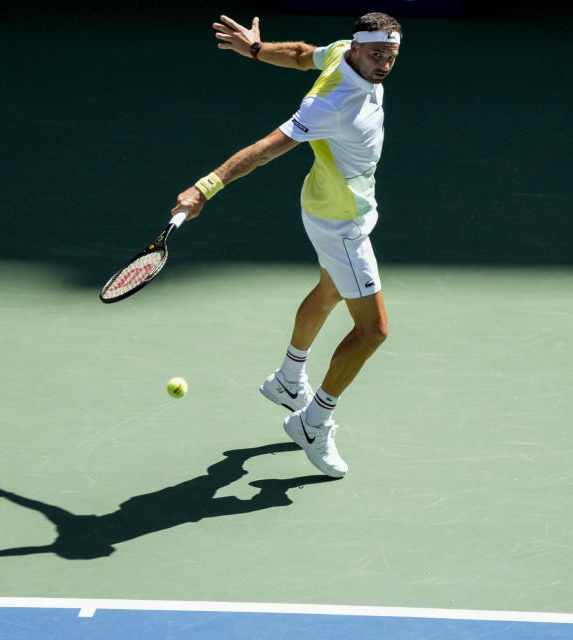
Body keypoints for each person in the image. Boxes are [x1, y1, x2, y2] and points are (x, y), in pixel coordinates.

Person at [170, 12, 401, 478]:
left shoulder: (340, 52)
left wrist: (256, 49)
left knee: (331, 289)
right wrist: (204, 188)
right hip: (341, 222)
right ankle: (314, 422)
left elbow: (299, 55)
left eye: (392, 56)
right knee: (373, 331)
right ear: (358, 48)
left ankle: (287, 379)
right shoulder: (330, 103)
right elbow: (265, 149)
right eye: (377, 54)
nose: (384, 65)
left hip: (329, 200)